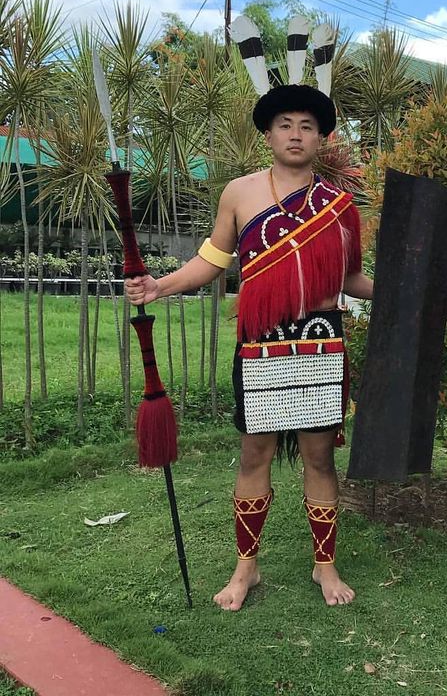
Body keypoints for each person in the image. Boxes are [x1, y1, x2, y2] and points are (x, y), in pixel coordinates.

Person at [125, 82, 373, 611]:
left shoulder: (339, 206)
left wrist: (409, 289)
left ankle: (324, 565)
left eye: (307, 126)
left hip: (321, 343)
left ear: (322, 138)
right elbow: (213, 261)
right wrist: (159, 286)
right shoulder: (239, 193)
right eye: (285, 124)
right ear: (267, 133)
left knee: (319, 456)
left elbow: (351, 280)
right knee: (254, 452)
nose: (296, 134)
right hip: (260, 343)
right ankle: (247, 568)